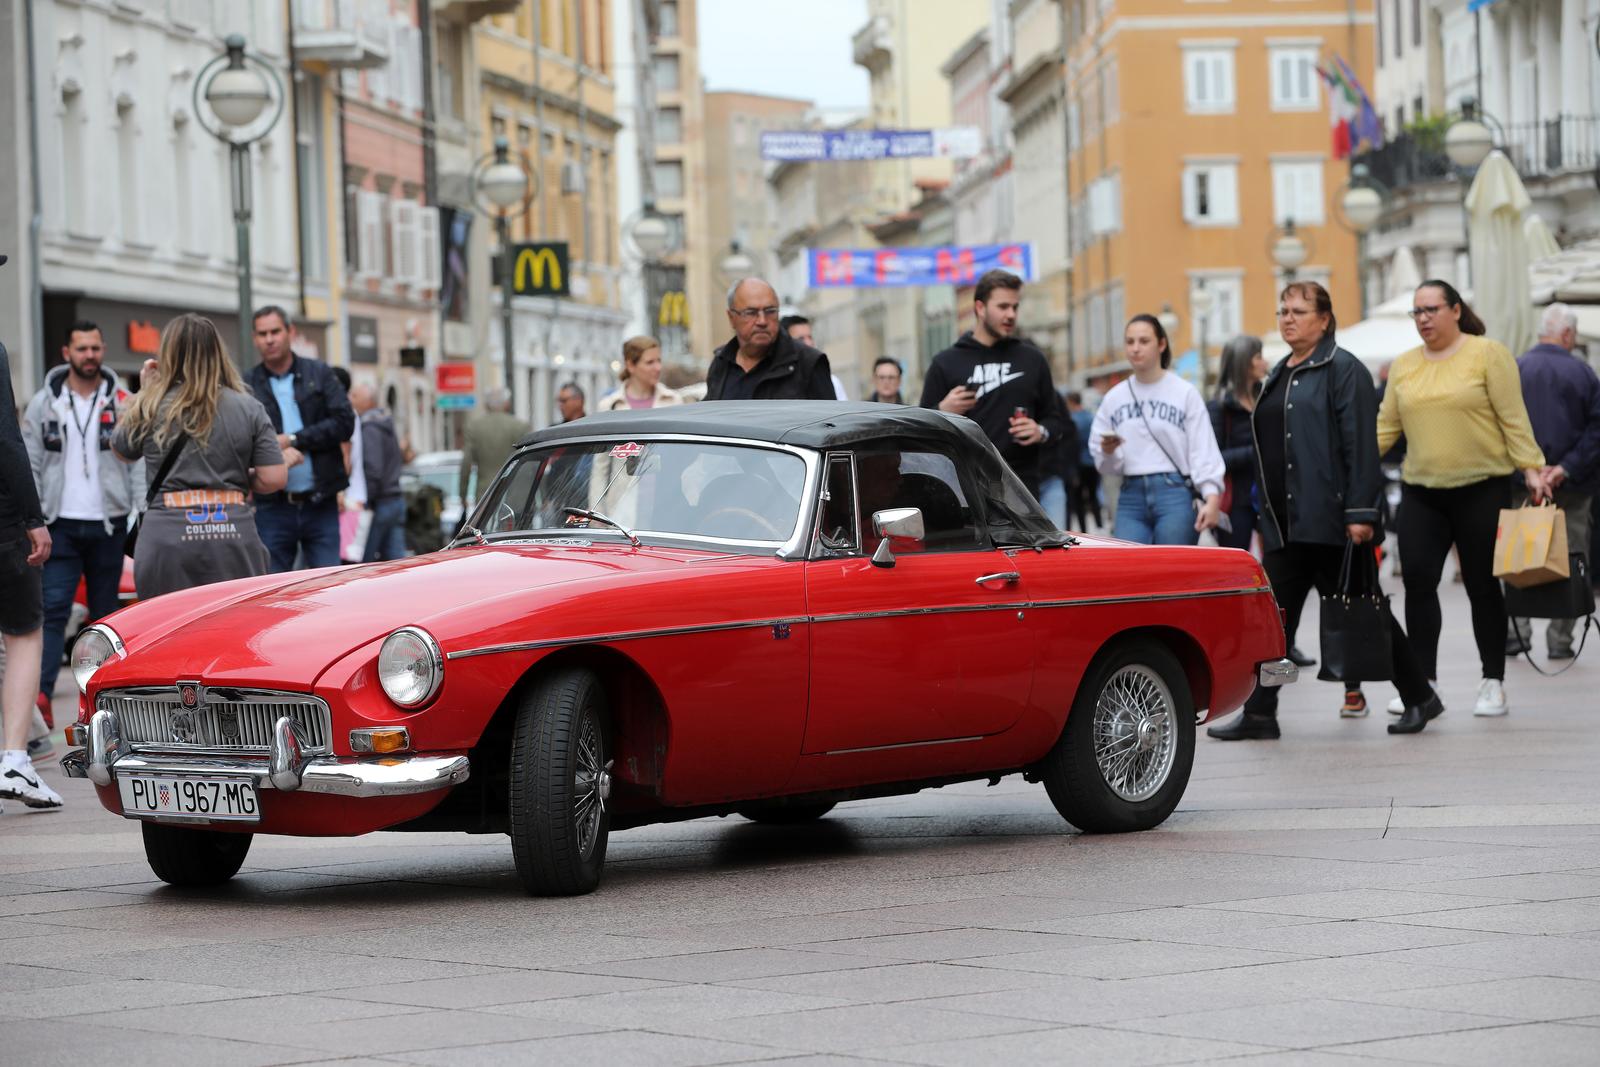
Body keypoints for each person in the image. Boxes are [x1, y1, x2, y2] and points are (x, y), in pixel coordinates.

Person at [1208, 282, 1443, 740]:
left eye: (1298, 310)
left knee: (1367, 614)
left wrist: (1361, 513)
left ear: (1324, 319)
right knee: (1274, 624)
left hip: (1333, 524)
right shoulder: (1279, 373)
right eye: (1282, 310)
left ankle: (1420, 695)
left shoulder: (1344, 370)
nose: (1287, 317)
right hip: (1286, 524)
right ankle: (1260, 712)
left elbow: (1361, 448)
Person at [1378, 280, 1549, 717]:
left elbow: (1514, 418)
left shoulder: (1487, 353)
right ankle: (1423, 685)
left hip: (1482, 486)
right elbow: (1385, 429)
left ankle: (1493, 680)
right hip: (1421, 490)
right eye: (1416, 312)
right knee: (1416, 582)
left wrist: (1532, 468)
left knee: (1482, 586)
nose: (1423, 319)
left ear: (1456, 310)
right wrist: (1346, 464)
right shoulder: (1404, 365)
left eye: (1431, 309)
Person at [113, 314, 286, 598]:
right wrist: (234, 481)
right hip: (233, 536)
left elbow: (122, 451)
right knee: (234, 630)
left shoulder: (151, 404)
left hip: (166, 539)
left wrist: (145, 392)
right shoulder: (249, 407)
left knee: (165, 632)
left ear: (168, 353)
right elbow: (274, 478)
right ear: (218, 353)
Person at [21, 320, 142, 715]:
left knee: (107, 615)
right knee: (54, 609)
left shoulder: (122, 399)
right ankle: (41, 697)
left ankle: (106, 701)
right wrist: (34, 514)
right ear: (66, 353)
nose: (89, 355)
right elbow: (31, 461)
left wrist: (138, 509)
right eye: (81, 349)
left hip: (109, 521)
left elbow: (136, 461)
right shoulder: (45, 401)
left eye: (95, 348)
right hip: (60, 523)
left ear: (103, 349)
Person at [919, 269, 1065, 498]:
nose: (1011, 315)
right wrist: (942, 411)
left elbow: (1056, 421)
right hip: (966, 489)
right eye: (1003, 307)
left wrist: (1040, 430)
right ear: (980, 308)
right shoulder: (946, 362)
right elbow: (920, 430)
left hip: (1023, 488)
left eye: (1015, 307)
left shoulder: (1032, 359)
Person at [1508, 303, 1600, 659]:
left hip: (1523, 483)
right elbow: (1596, 430)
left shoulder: (1515, 369)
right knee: (1573, 555)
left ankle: (1517, 631)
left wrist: (1531, 471)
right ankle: (1560, 639)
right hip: (1573, 485)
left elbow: (1503, 427)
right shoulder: (1584, 372)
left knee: (1518, 554)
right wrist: (1564, 468)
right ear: (1566, 334)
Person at [1089, 314, 1225, 544]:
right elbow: (1104, 463)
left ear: (1161, 344)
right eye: (1130, 342)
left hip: (1175, 491)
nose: (1135, 348)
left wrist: (1212, 498)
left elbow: (1203, 448)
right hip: (1130, 493)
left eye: (1144, 341)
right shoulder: (1114, 398)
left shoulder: (1184, 392)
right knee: (1130, 571)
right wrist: (1108, 450)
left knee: (1173, 572)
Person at [1, 338, 62, 811]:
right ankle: (15, 760)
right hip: (2, 522)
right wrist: (33, 518)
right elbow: (6, 437)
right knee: (24, 634)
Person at [244, 306, 354, 572]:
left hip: (320, 500)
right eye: (262, 334)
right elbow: (240, 441)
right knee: (272, 590)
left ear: (290, 332)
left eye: (275, 331)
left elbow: (344, 422)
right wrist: (273, 452)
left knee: (328, 586)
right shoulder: (248, 384)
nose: (269, 339)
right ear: (254, 338)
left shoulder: (319, 373)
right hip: (273, 506)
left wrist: (294, 439)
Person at [707, 279, 835, 401]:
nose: (762, 321)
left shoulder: (808, 362)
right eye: (751, 312)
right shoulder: (721, 362)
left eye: (770, 311)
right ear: (731, 318)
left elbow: (830, 421)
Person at [1210, 334, 1268, 550]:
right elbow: (1214, 459)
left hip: (1269, 497)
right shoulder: (1220, 407)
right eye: (1258, 357)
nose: (1264, 362)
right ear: (1243, 362)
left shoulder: (1267, 397)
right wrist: (1257, 452)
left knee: (1275, 568)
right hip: (1235, 500)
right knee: (1234, 564)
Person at [349, 383, 406, 561]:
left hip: (379, 504)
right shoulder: (385, 423)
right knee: (396, 564)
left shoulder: (370, 427)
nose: (350, 399)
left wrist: (366, 502)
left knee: (363, 564)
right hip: (394, 500)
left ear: (368, 401)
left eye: (355, 396)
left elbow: (373, 468)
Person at [459, 388, 530, 508]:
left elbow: (466, 464)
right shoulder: (520, 427)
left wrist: (463, 494)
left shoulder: (474, 427)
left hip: (485, 494)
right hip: (516, 494)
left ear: (486, 405)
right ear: (507, 404)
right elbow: (530, 463)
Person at [600, 336, 685, 411]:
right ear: (630, 366)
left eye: (659, 361)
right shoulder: (609, 406)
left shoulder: (674, 400)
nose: (658, 368)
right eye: (650, 362)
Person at [781, 314, 849, 400]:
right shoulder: (777, 382)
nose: (809, 343)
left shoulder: (832, 381)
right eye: (801, 339)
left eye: (810, 337)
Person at [1066, 391, 1103, 531]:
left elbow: (1071, 445)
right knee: (1093, 495)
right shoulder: (1090, 416)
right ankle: (1099, 524)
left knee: (1078, 500)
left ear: (1071, 402)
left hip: (1078, 465)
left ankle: (1084, 529)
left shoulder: (1072, 420)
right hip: (1092, 463)